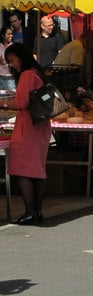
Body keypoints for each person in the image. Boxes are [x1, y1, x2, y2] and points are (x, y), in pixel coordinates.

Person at [5, 42, 51, 225]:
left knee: (23, 169)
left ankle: (30, 211)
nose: (12, 64)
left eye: (13, 60)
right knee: (38, 170)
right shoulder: (36, 73)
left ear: (20, 56)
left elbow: (21, 103)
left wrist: (4, 104)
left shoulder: (26, 75)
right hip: (40, 126)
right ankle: (37, 211)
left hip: (28, 127)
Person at [0, 24, 15, 90]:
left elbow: (18, 62)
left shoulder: (14, 46)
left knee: (11, 98)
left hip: (11, 78)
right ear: (3, 35)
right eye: (8, 34)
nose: (11, 36)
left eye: (11, 34)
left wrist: (9, 62)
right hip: (0, 77)